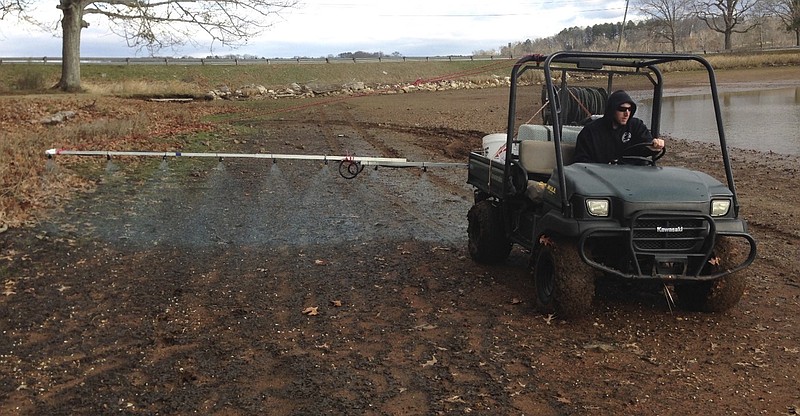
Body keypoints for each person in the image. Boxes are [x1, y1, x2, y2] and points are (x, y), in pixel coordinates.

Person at [573, 90, 665, 164]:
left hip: (630, 174)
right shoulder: (591, 132)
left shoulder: (636, 126)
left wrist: (655, 146)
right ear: (612, 110)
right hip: (601, 176)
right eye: (622, 109)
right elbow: (581, 161)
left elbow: (646, 145)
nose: (626, 113)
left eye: (630, 109)